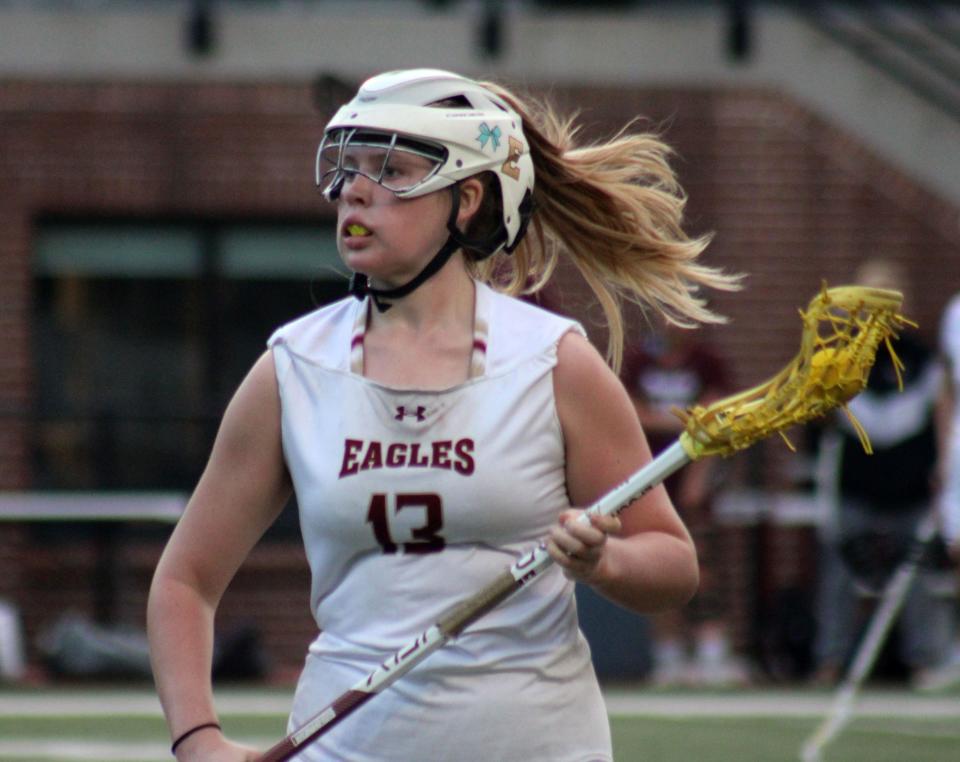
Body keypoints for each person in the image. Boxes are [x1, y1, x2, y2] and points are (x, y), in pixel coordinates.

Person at [147, 68, 738, 762]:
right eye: (348, 169)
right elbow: (185, 581)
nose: (355, 192)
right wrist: (197, 740)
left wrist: (603, 561)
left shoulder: (554, 364)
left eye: (390, 170)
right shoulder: (292, 370)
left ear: (468, 199)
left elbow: (673, 563)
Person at [811, 259, 953, 688]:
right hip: (857, 487)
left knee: (919, 573)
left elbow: (939, 414)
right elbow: (823, 421)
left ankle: (924, 659)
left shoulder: (923, 359)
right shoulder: (840, 358)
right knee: (838, 572)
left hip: (909, 488)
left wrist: (942, 466)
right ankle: (830, 660)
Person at [620, 324, 748, 685]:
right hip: (650, 477)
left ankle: (711, 651)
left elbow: (715, 418)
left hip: (693, 479)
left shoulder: (708, 360)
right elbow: (631, 412)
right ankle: (669, 655)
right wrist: (680, 422)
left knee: (703, 565)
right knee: (655, 564)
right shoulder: (638, 360)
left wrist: (701, 476)